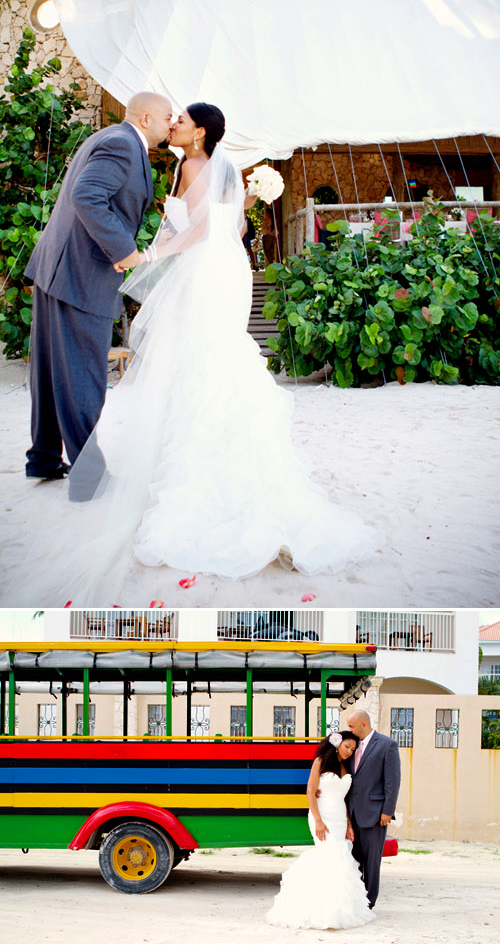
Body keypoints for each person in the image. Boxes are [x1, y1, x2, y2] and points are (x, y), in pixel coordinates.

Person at [13, 102, 376, 605]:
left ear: (200, 132)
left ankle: (58, 459)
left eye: (180, 119)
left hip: (204, 274)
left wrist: (153, 254)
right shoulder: (146, 151)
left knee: (194, 358)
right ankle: (60, 461)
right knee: (127, 365)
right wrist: (142, 251)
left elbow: (211, 227)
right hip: (145, 269)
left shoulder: (193, 163)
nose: (172, 124)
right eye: (169, 117)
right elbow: (107, 202)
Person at [24, 93, 172, 480]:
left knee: (51, 370)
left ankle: (43, 459)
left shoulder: (107, 137)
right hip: (80, 274)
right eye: (166, 117)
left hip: (57, 268)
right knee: (83, 373)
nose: (170, 124)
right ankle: (88, 477)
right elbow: (87, 196)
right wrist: (124, 251)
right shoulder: (123, 145)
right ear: (145, 118)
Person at [267, 730, 372, 930]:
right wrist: (318, 820)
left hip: (340, 818)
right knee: (328, 857)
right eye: (347, 746)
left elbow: (345, 799)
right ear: (337, 743)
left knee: (340, 860)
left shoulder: (346, 766)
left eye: (353, 748)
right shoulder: (321, 761)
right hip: (322, 815)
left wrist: (349, 824)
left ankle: (340, 909)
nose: (350, 751)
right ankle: (318, 908)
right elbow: (310, 790)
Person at [344, 709, 401, 909]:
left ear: (364, 725)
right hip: (353, 814)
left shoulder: (387, 745)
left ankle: (369, 903)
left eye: (351, 726)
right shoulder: (351, 747)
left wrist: (387, 811)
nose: (348, 729)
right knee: (354, 860)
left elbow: (392, 782)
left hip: (375, 815)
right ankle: (357, 898)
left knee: (372, 861)